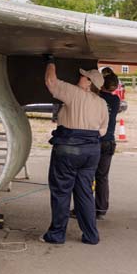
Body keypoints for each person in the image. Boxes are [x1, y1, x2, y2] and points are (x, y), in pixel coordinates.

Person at [41, 56, 109, 245]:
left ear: (89, 83)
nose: (79, 77)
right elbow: (102, 131)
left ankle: (56, 235)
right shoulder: (102, 103)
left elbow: (51, 82)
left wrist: (51, 61)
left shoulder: (74, 93)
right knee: (85, 193)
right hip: (92, 151)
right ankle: (91, 235)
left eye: (84, 76)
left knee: (62, 192)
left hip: (69, 148)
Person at [95, 68, 120, 220]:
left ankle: (81, 209)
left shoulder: (96, 98)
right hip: (109, 142)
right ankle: (101, 209)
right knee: (102, 177)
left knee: (87, 176)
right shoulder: (116, 100)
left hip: (95, 141)